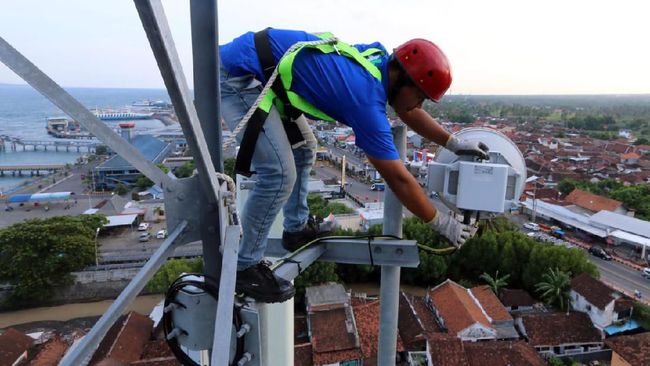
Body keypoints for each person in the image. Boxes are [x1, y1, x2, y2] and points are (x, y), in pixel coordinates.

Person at [220, 28, 488, 303]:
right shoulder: (365, 102)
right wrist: (441, 223)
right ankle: (245, 266)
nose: (419, 104)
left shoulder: (379, 60)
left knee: (303, 150)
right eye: (420, 96)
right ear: (402, 80)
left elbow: (410, 111)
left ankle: (296, 229)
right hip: (238, 75)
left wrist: (452, 143)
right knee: (278, 173)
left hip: (261, 69)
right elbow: (398, 179)